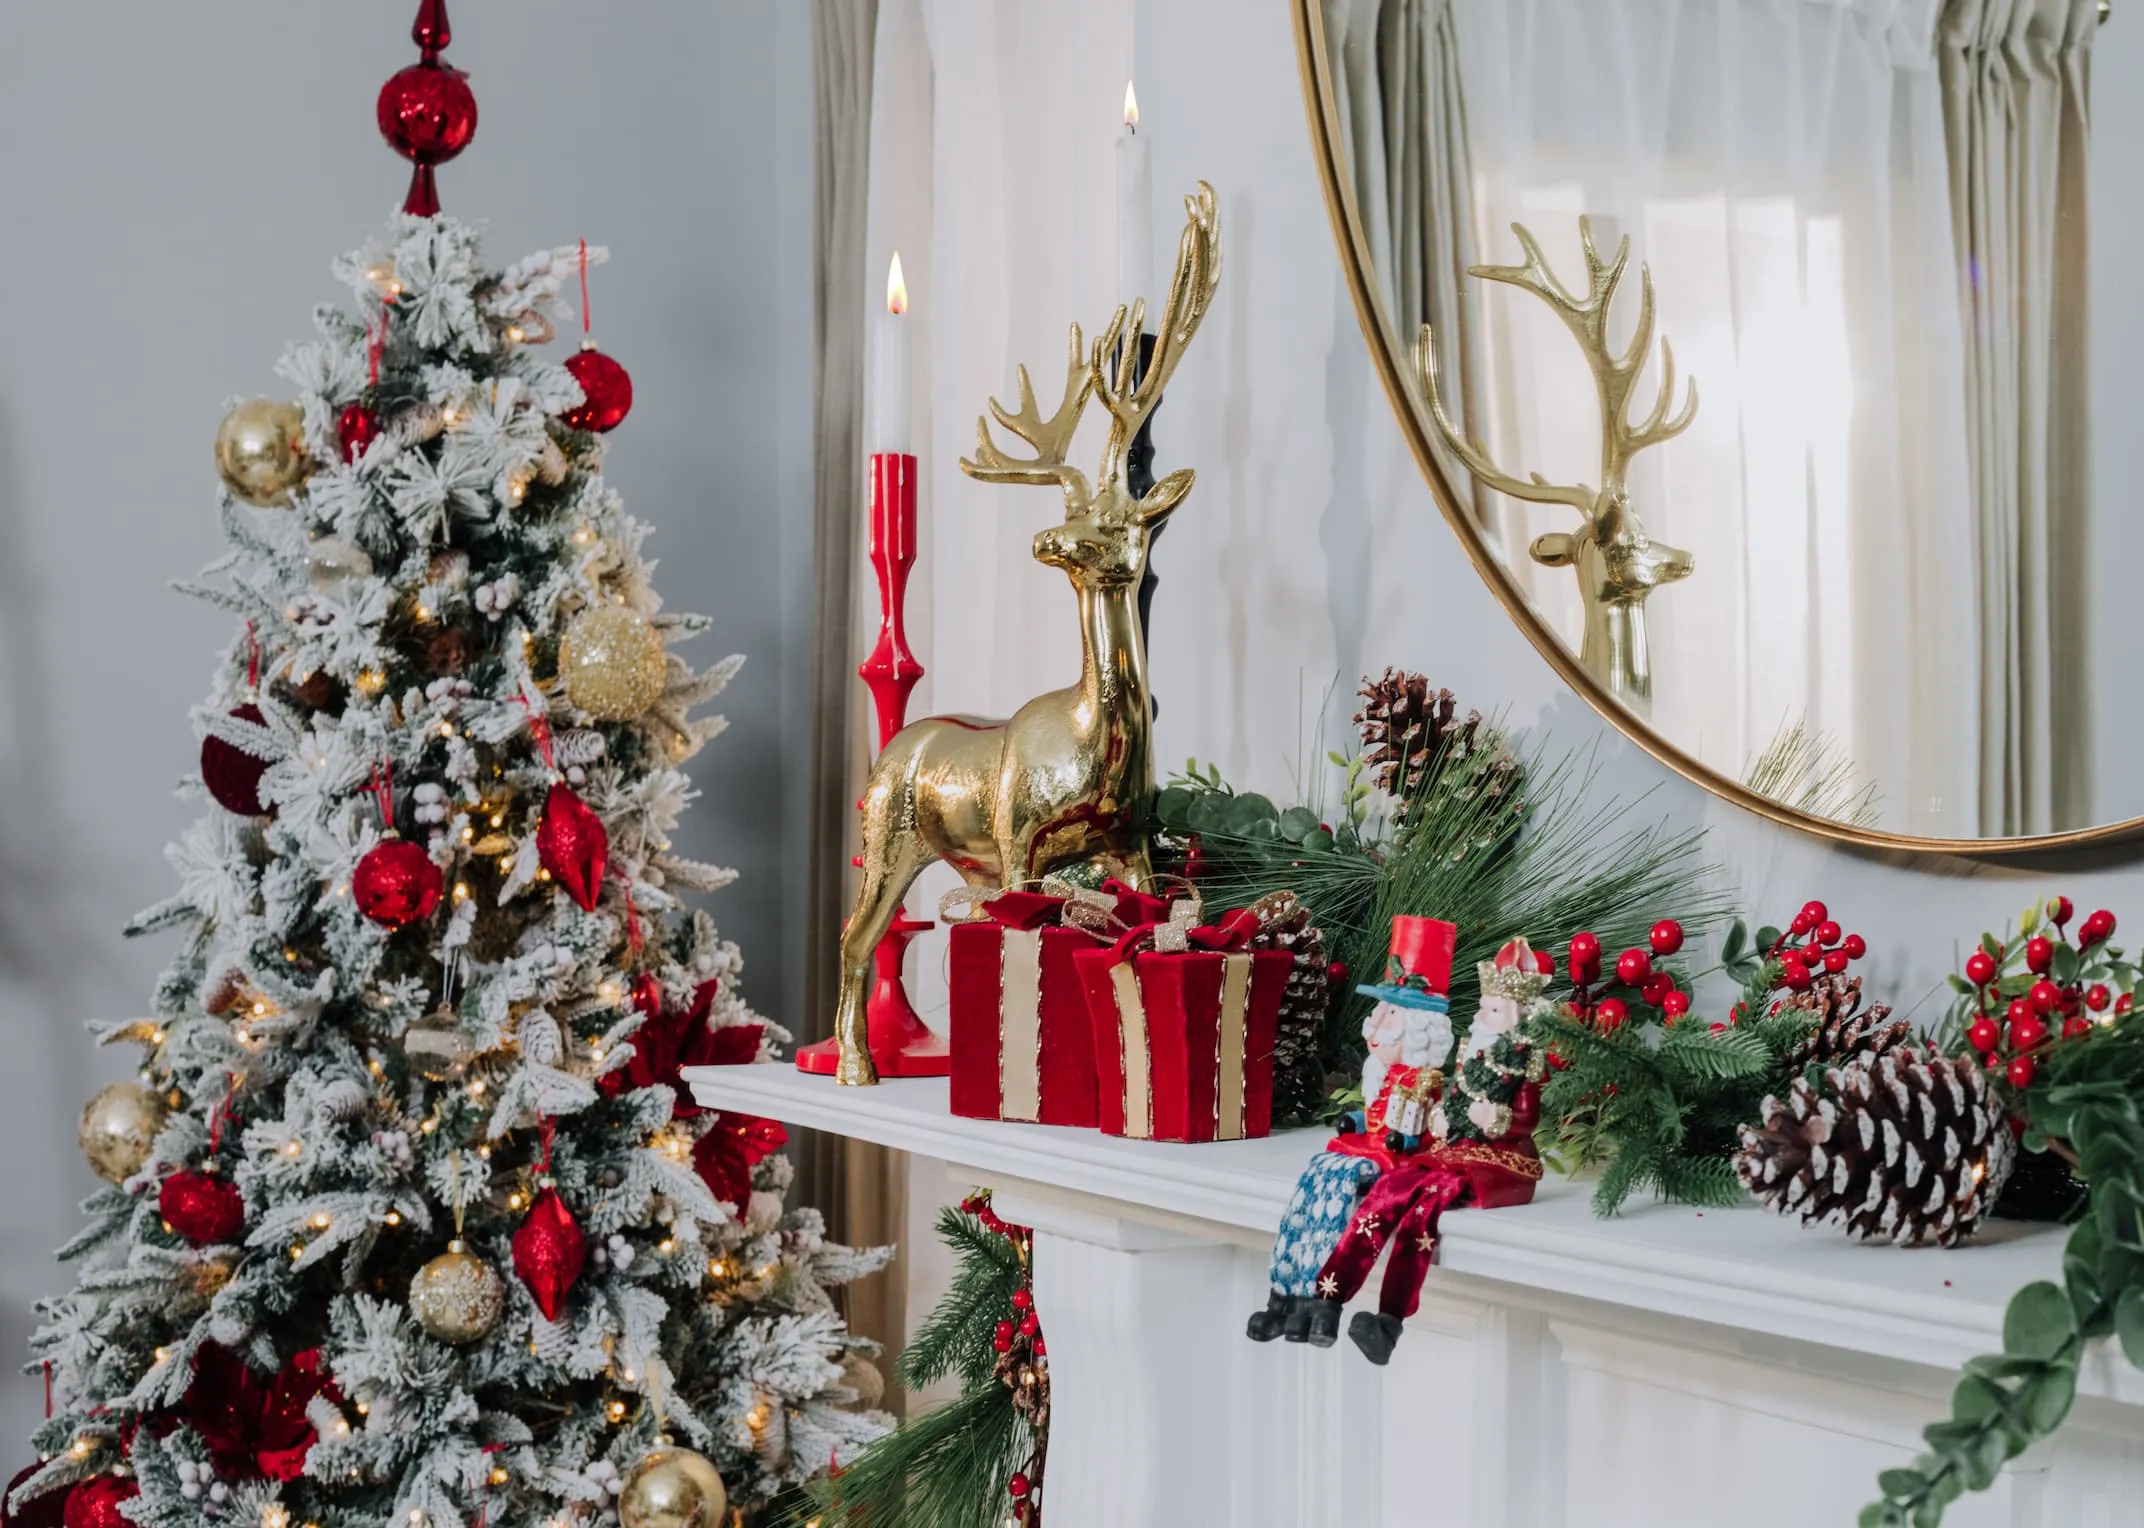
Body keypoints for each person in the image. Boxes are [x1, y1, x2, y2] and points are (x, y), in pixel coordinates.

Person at [1246, 916, 1457, 1346]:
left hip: (1394, 1157)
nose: (1375, 1026)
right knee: (1313, 1178)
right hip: (1364, 1144)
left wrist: (1406, 1136)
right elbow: (1373, 1111)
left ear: (1419, 1029)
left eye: (1390, 1014)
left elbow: (1424, 1126)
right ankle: (1280, 1296)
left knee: (1336, 1189)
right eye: (1379, 1013)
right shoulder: (1383, 1073)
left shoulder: (1423, 1082)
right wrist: (1356, 1122)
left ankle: (1314, 1306)